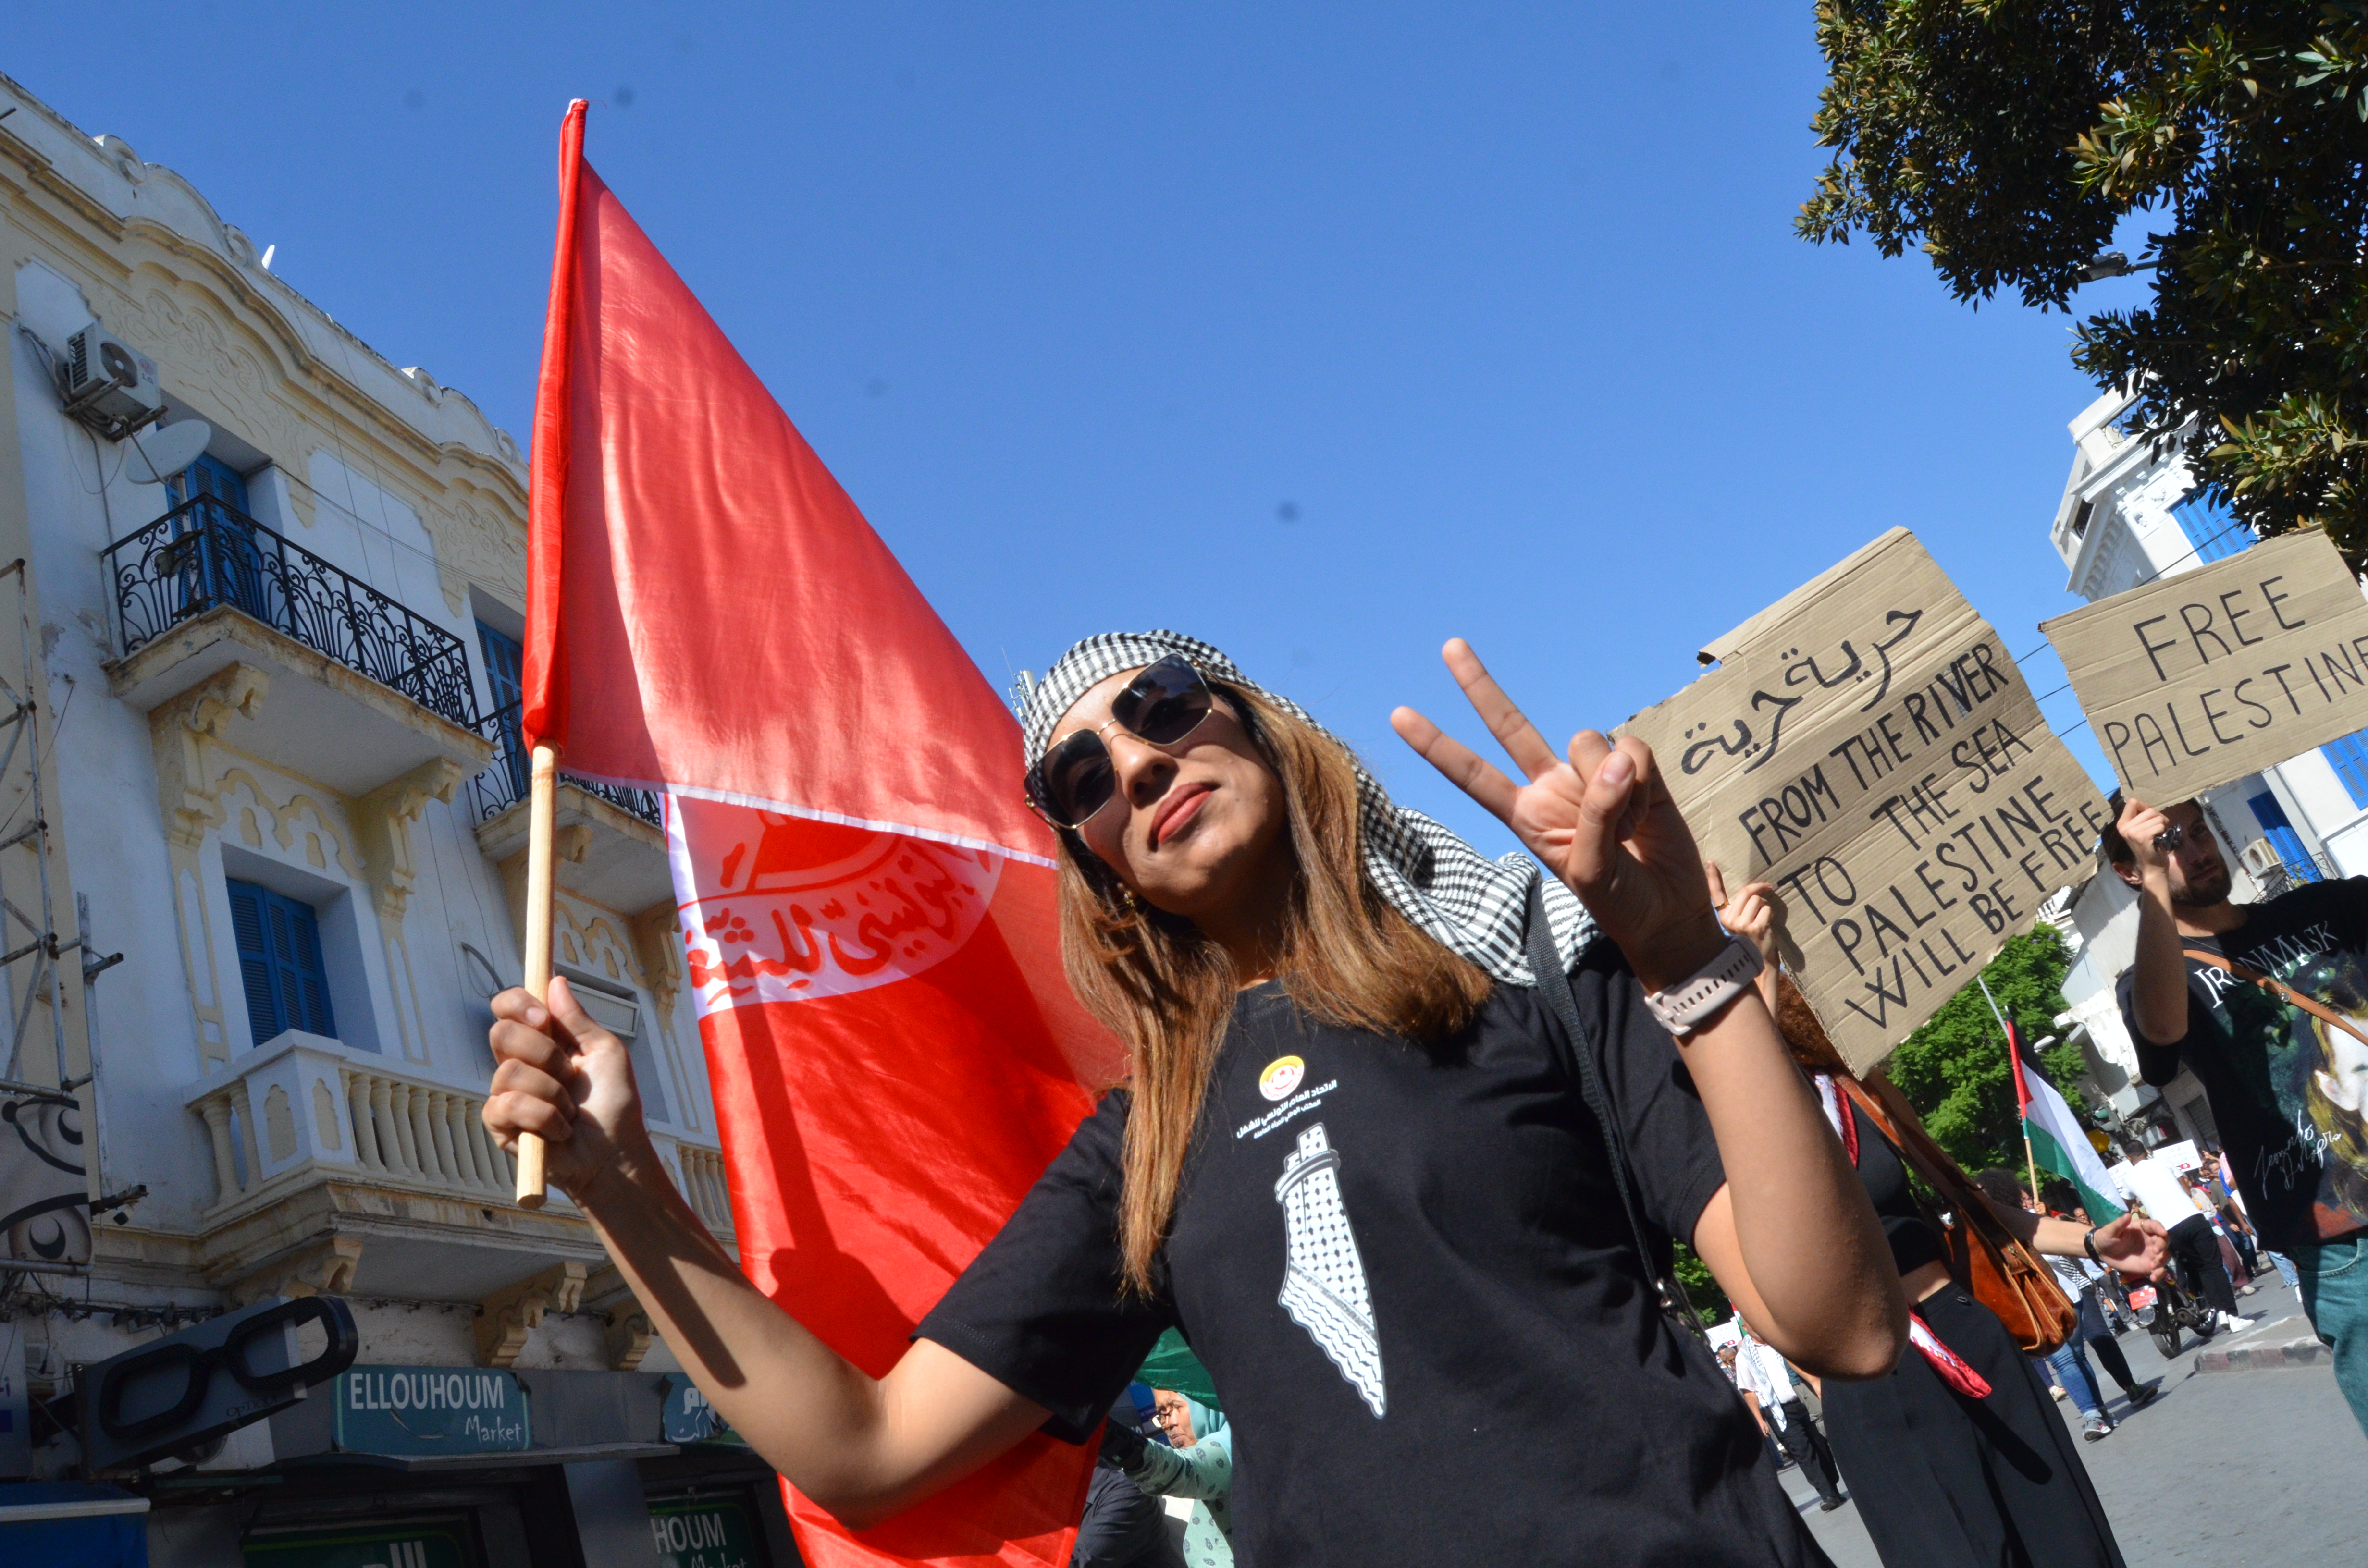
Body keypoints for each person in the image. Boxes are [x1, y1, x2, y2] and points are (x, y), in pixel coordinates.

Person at [483, 633, 1911, 1568]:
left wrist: (1684, 961)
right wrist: (621, 1184)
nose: (1141, 759)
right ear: (1094, 863)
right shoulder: (1144, 1144)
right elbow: (864, 1449)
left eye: (1162, 704)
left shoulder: (1524, 963)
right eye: (1080, 775)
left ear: (1257, 721)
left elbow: (1831, 1319)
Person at [1712, 874, 2166, 1568]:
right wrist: (1749, 977)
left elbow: (1967, 1205)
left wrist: (2093, 1242)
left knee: (2067, 1549)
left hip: (1966, 1331)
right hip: (1870, 1386)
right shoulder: (1721, 1128)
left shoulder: (1858, 1090)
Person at [2111, 794, 2368, 1433]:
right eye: (2172, 844)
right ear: (2131, 870)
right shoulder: (2151, 980)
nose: (2198, 851)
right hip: (2343, 1245)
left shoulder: (2322, 910)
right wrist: (2154, 886)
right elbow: (2165, 1031)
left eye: (2200, 832)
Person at [2113, 1143, 2249, 1332]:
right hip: (2192, 1219)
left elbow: (2126, 1206)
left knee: (2201, 1270)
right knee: (2214, 1266)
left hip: (2168, 1230)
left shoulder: (2128, 1179)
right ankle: (2233, 1316)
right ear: (2146, 1151)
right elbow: (2186, 1191)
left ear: (2128, 1158)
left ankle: (2221, 1312)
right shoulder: (2164, 1162)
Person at [1103, 1392, 1233, 1568]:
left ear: (1204, 1402)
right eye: (1162, 1413)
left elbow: (1183, 1469)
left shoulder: (1232, 1449)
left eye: (1177, 1407)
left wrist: (1111, 1439)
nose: (1169, 1423)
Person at [1731, 1320, 1847, 1511]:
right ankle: (1827, 1494)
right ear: (1745, 1328)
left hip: (1804, 1401)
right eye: (1753, 1324)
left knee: (1821, 1446)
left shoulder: (1781, 1341)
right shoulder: (1744, 1356)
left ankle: (1833, 1487)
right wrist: (1759, 1419)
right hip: (1779, 1411)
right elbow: (1748, 1390)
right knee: (1803, 1452)